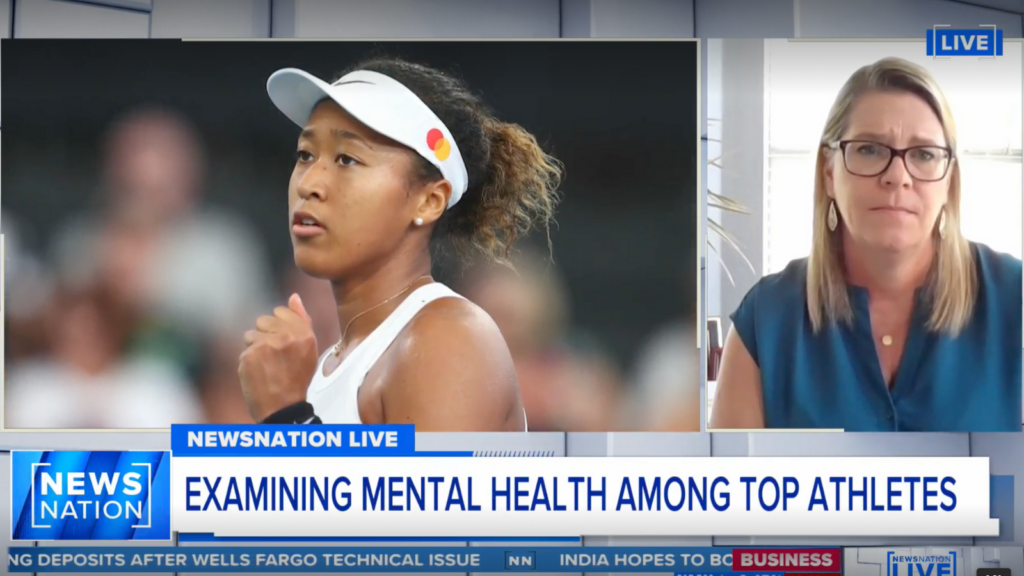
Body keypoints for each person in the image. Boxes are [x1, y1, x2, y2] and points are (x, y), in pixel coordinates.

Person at [238, 57, 563, 430]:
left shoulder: (449, 339)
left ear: (428, 200)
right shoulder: (325, 366)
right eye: (305, 154)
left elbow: (436, 492)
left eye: (346, 159)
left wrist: (285, 415)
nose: (309, 182)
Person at [711, 57, 1022, 432]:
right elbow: (732, 489)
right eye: (869, 149)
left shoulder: (1013, 299)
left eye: (924, 154)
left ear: (948, 181)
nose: (897, 176)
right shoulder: (766, 319)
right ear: (829, 173)